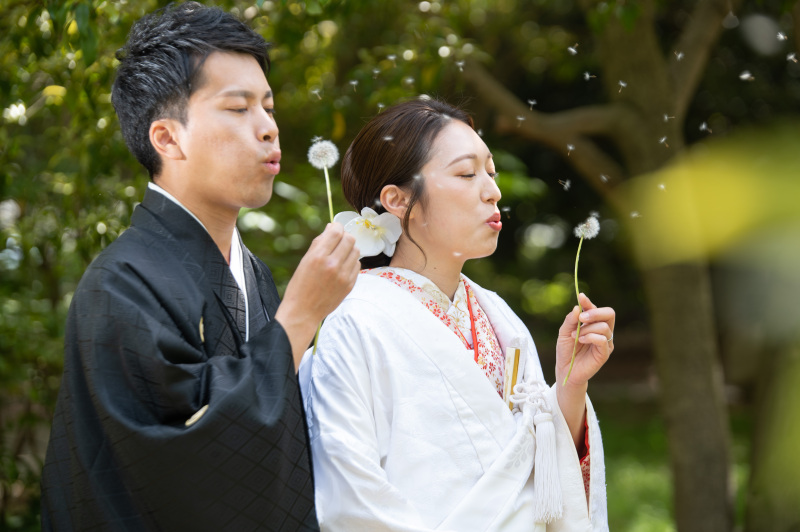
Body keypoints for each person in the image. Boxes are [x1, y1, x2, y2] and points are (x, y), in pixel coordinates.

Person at [40, 3, 359, 530]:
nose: (268, 130)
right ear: (167, 138)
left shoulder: (252, 274)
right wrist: (301, 317)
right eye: (238, 109)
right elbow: (186, 458)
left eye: (269, 107)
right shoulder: (121, 284)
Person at [299, 98, 614, 531]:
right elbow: (350, 498)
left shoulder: (497, 315)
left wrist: (570, 386)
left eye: (491, 172)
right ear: (396, 198)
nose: (493, 191)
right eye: (467, 174)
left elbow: (539, 475)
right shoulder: (356, 322)